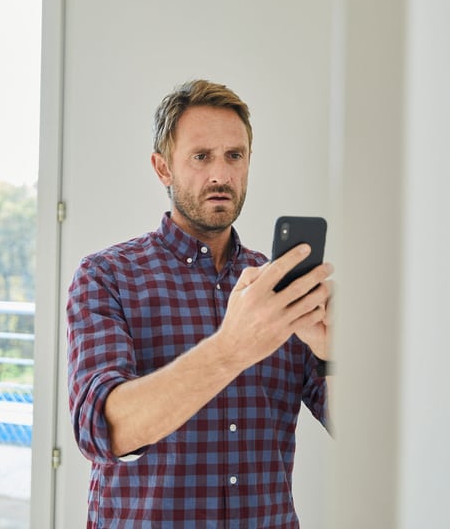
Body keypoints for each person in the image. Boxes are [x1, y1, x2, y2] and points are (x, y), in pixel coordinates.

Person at [66, 79, 333, 528]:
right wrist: (231, 349)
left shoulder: (278, 289)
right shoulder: (106, 276)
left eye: (235, 155)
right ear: (162, 168)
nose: (221, 175)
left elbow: (364, 434)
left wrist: (333, 354)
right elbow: (102, 429)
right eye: (201, 156)